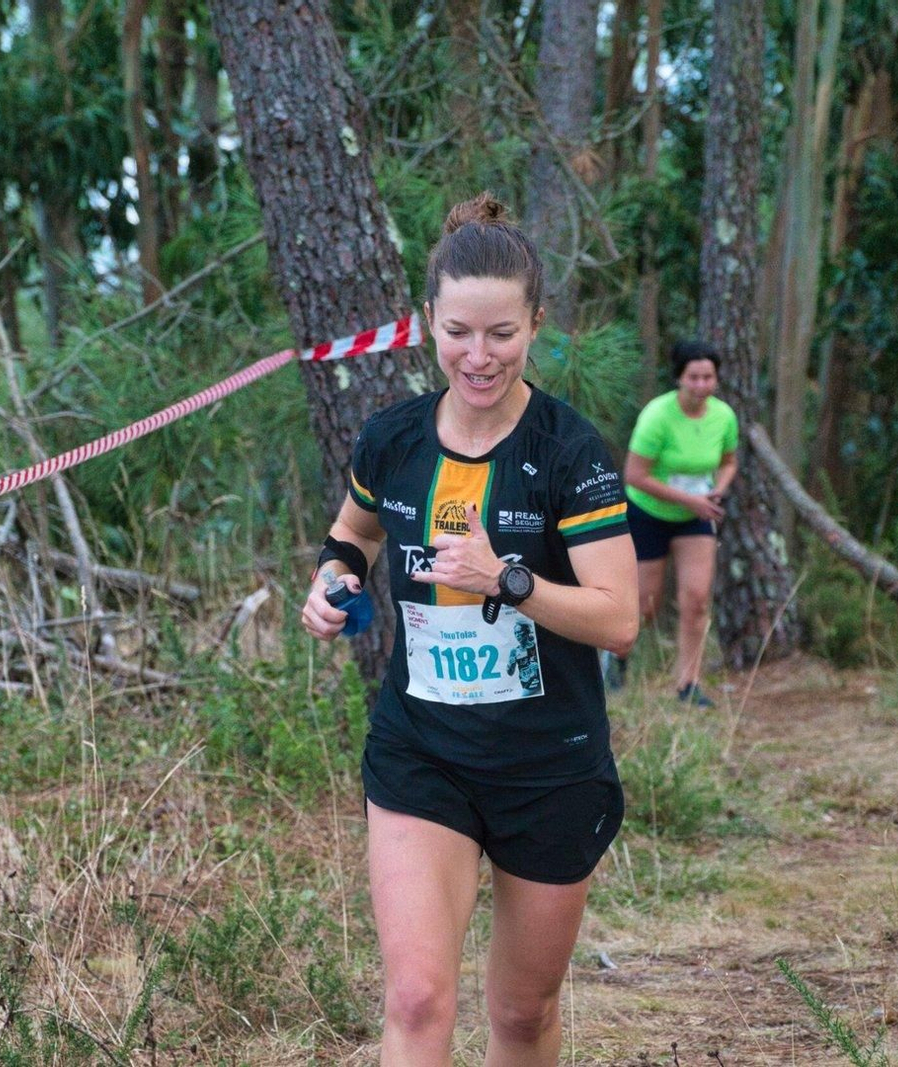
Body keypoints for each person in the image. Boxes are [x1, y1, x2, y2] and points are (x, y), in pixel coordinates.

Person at [300, 192, 638, 1066]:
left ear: (537, 325)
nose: (478, 357)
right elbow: (352, 536)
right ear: (428, 322)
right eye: (457, 332)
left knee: (521, 1015)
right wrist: (332, 582)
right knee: (416, 998)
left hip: (548, 764)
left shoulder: (569, 452)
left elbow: (620, 618)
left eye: (501, 334)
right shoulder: (393, 440)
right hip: (423, 751)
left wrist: (508, 581)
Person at [618, 339, 738, 706]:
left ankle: (688, 684)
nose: (701, 385)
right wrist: (691, 500)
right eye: (694, 377)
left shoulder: (723, 416)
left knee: (697, 600)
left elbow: (729, 461)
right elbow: (634, 475)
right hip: (648, 512)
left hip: (695, 518)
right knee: (645, 605)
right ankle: (616, 657)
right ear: (679, 378)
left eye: (708, 377)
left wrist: (718, 490)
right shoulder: (657, 416)